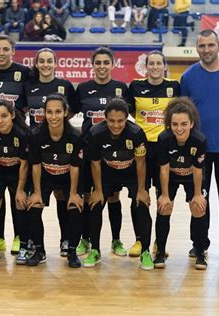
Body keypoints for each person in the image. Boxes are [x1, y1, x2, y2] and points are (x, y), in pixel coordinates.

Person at [181, 29, 219, 259]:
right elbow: (184, 111)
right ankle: (199, 243)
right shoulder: (188, 77)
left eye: (210, 45)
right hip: (198, 150)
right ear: (197, 48)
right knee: (198, 197)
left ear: (218, 46)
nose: (206, 50)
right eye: (202, 46)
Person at [72, 46, 130, 262]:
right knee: (90, 197)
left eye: (106, 63)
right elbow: (71, 112)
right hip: (89, 151)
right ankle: (86, 239)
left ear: (113, 65)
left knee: (113, 197)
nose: (102, 66)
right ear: (93, 65)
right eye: (98, 63)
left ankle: (116, 240)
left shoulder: (121, 88)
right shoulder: (84, 88)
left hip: (113, 154)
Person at [86, 98, 151, 269]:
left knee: (141, 204)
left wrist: (142, 190)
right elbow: (94, 163)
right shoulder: (95, 133)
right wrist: (98, 190)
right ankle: (95, 250)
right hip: (108, 172)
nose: (116, 125)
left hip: (132, 172)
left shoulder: (136, 133)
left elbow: (141, 162)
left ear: (127, 119)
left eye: (120, 121)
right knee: (95, 204)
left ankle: (145, 251)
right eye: (111, 121)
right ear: (105, 119)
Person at [24, 48, 76, 256]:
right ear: (36, 64)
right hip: (38, 144)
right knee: (34, 197)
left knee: (62, 196)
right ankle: (33, 244)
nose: (45, 64)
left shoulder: (65, 86)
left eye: (49, 61)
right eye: (41, 61)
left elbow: (73, 110)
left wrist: (59, 130)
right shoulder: (28, 85)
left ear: (56, 63)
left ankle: (66, 240)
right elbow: (21, 110)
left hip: (61, 143)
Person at [128, 50, 180, 257]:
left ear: (164, 66)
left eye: (159, 63)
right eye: (152, 64)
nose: (155, 67)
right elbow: (132, 113)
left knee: (163, 196)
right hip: (142, 149)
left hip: (166, 149)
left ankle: (160, 242)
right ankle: (141, 240)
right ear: (146, 66)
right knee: (139, 194)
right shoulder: (135, 86)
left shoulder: (174, 87)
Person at [0, 35, 30, 253]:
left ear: (13, 51)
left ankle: (20, 238)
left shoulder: (24, 73)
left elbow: (31, 98)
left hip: (15, 138)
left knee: (18, 201)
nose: (1, 53)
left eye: (5, 49)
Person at [27, 94, 84, 267]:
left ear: (65, 113)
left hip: (68, 178)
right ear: (44, 113)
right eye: (49, 112)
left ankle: (72, 251)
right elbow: (35, 165)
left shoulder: (75, 136)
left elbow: (75, 167)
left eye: (58, 111)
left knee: (75, 207)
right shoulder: (36, 135)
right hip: (45, 177)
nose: (53, 116)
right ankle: (39, 250)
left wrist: (74, 193)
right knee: (33, 207)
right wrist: (36, 193)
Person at [155, 97, 209, 270]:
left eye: (184, 124)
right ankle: (160, 252)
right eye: (175, 124)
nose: (179, 129)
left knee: (198, 207)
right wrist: (164, 196)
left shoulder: (199, 140)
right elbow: (163, 169)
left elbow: (198, 170)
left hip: (192, 176)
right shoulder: (163, 139)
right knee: (164, 207)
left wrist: (198, 195)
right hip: (170, 176)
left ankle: (200, 253)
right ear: (169, 124)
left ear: (192, 123)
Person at [0, 99, 30, 263]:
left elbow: (24, 165)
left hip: (18, 174)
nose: (0, 121)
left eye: (4, 116)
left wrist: (21, 190)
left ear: (12, 115)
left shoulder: (23, 134)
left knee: (20, 203)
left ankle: (23, 246)